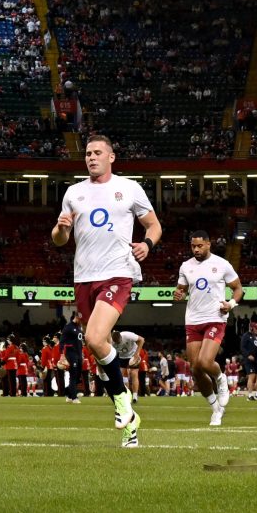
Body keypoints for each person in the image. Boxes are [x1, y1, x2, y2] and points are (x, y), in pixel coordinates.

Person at [50, 133, 161, 447]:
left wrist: (147, 244)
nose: (91, 157)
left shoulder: (128, 188)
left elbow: (154, 225)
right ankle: (130, 426)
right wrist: (60, 228)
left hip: (117, 273)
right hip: (83, 276)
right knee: (97, 347)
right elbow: (60, 240)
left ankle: (124, 401)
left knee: (96, 338)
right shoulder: (73, 193)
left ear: (112, 157)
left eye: (98, 152)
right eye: (87, 153)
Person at [174, 228, 242, 426]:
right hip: (193, 320)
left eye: (200, 246)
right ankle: (215, 409)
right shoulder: (186, 266)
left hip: (215, 317)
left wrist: (231, 304)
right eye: (193, 246)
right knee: (195, 368)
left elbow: (238, 289)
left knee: (205, 361)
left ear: (209, 244)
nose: (196, 249)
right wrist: (177, 295)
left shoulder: (222, 264)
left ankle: (221, 379)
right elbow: (181, 291)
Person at [239, 320, 257, 400]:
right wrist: (248, 355)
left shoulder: (255, 337)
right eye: (256, 328)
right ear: (252, 328)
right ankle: (250, 395)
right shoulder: (245, 336)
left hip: (256, 360)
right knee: (252, 376)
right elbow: (242, 348)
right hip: (249, 360)